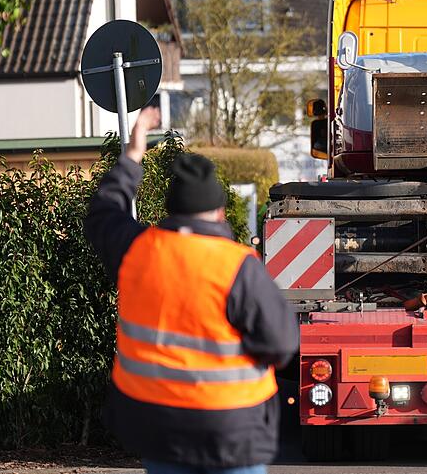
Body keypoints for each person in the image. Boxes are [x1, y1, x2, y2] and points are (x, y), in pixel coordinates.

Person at [84, 106, 298, 474]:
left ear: (172, 209)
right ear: (218, 212)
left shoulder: (138, 251)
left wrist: (133, 154)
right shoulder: (238, 266)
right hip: (231, 433)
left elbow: (103, 211)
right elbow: (282, 344)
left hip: (159, 432)